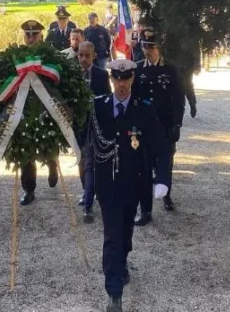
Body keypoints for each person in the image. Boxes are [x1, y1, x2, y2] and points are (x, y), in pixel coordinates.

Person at [87, 59, 171, 312]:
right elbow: (82, 135)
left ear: (132, 79)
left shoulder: (143, 108)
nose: (121, 84)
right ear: (111, 79)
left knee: (124, 233)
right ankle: (114, 294)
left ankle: (122, 260)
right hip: (107, 184)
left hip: (134, 182)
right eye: (117, 79)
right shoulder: (98, 106)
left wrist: (163, 179)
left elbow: (161, 146)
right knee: (112, 235)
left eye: (126, 79)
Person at [133, 29, 185, 225]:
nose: (147, 50)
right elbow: (135, 99)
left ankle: (166, 195)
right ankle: (145, 210)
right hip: (145, 127)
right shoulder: (137, 69)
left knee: (166, 162)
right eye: (144, 46)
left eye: (151, 47)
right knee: (145, 166)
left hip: (165, 125)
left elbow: (178, 99)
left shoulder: (171, 69)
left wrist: (177, 124)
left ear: (159, 48)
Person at [19, 19, 59, 205]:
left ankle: (52, 164)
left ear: (41, 36)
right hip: (25, 107)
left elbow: (58, 77)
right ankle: (29, 189)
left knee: (49, 142)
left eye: (34, 34)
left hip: (46, 106)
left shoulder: (50, 55)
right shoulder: (18, 56)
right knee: (25, 151)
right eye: (27, 34)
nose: (31, 37)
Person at [76, 41, 111, 223]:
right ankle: (87, 190)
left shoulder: (101, 75)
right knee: (82, 162)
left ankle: (88, 204)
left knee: (89, 163)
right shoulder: (72, 74)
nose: (83, 59)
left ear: (94, 56)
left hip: (93, 126)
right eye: (80, 55)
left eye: (86, 56)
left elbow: (106, 98)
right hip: (76, 126)